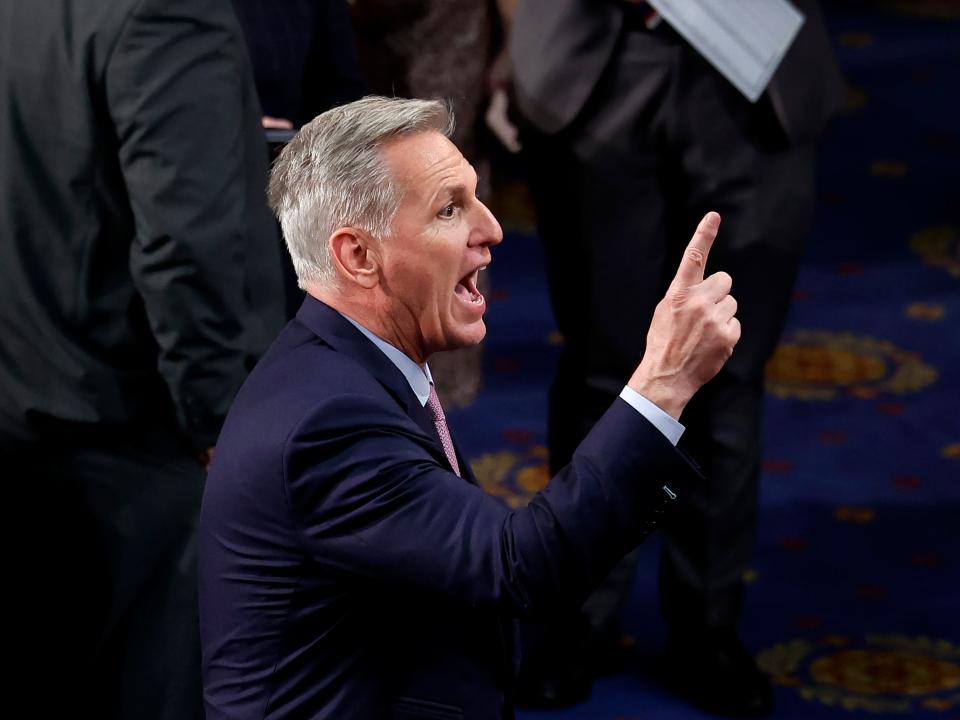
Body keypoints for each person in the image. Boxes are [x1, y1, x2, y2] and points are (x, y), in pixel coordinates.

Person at [199, 95, 742, 719]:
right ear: (358, 256)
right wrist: (663, 382)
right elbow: (518, 566)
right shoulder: (328, 421)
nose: (492, 229)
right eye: (450, 209)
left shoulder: (345, 367)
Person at [509, 0, 847, 714]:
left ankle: (706, 628)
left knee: (729, 369)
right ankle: (581, 619)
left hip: (756, 71)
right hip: (596, 58)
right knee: (606, 369)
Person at [0, 0, 285, 716]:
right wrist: (221, 420)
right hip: (143, 431)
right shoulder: (169, 10)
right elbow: (187, 252)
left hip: (27, 397)